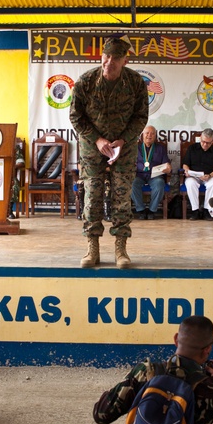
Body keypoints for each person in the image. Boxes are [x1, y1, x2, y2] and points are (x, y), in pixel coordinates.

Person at [69, 35, 149, 269]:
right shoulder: (85, 82)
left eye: (115, 58)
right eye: (106, 56)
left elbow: (140, 117)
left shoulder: (135, 83)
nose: (109, 62)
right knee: (91, 197)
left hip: (123, 151)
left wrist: (123, 140)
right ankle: (92, 248)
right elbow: (76, 117)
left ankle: (121, 250)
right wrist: (97, 140)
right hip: (93, 150)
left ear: (125, 60)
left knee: (122, 199)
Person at [131, 125, 170, 220]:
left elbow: (166, 163)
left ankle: (152, 210)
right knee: (131, 184)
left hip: (154, 176)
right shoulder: (135, 147)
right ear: (142, 135)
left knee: (160, 183)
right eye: (147, 133)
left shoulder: (161, 148)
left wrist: (168, 167)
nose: (149, 135)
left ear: (155, 136)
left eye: (152, 133)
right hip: (139, 175)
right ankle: (141, 210)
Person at [182, 128, 213, 221]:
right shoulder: (192, 148)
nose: (205, 144)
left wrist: (210, 176)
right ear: (200, 138)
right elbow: (185, 164)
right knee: (190, 183)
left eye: (208, 143)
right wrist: (187, 171)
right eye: (203, 141)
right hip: (193, 176)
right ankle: (195, 210)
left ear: (212, 141)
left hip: (208, 176)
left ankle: (207, 210)